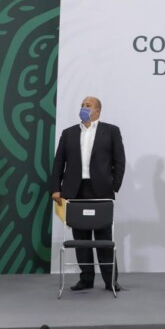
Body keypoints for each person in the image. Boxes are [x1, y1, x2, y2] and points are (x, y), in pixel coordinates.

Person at [50, 96, 126, 292]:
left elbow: (120, 161)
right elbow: (59, 162)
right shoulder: (68, 133)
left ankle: (111, 281)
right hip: (75, 191)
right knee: (81, 239)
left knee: (103, 238)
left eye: (88, 105)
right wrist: (56, 188)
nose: (84, 108)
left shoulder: (111, 131)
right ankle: (86, 279)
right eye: (82, 105)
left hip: (101, 191)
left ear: (97, 111)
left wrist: (113, 186)